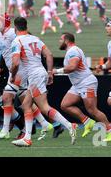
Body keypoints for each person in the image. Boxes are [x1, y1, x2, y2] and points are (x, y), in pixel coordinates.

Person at [10, 17, 77, 147]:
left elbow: (15, 62)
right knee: (26, 105)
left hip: (34, 75)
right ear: (26, 26)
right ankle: (27, 138)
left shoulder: (16, 41)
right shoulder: (35, 38)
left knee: (44, 107)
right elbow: (49, 54)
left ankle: (70, 125)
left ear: (15, 28)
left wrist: (13, 76)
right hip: (39, 72)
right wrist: (50, 72)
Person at [56, 33, 111, 141]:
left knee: (92, 110)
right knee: (65, 105)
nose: (59, 41)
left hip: (86, 83)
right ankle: (87, 122)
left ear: (66, 40)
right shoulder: (71, 51)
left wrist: (56, 71)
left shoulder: (73, 51)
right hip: (77, 84)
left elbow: (72, 67)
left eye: (60, 39)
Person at [0, 14, 26, 140]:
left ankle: (6, 130)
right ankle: (47, 124)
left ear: (5, 22)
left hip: (20, 70)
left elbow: (24, 45)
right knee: (27, 102)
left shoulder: (13, 33)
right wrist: (0, 68)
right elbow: (4, 55)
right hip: (13, 71)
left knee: (7, 97)